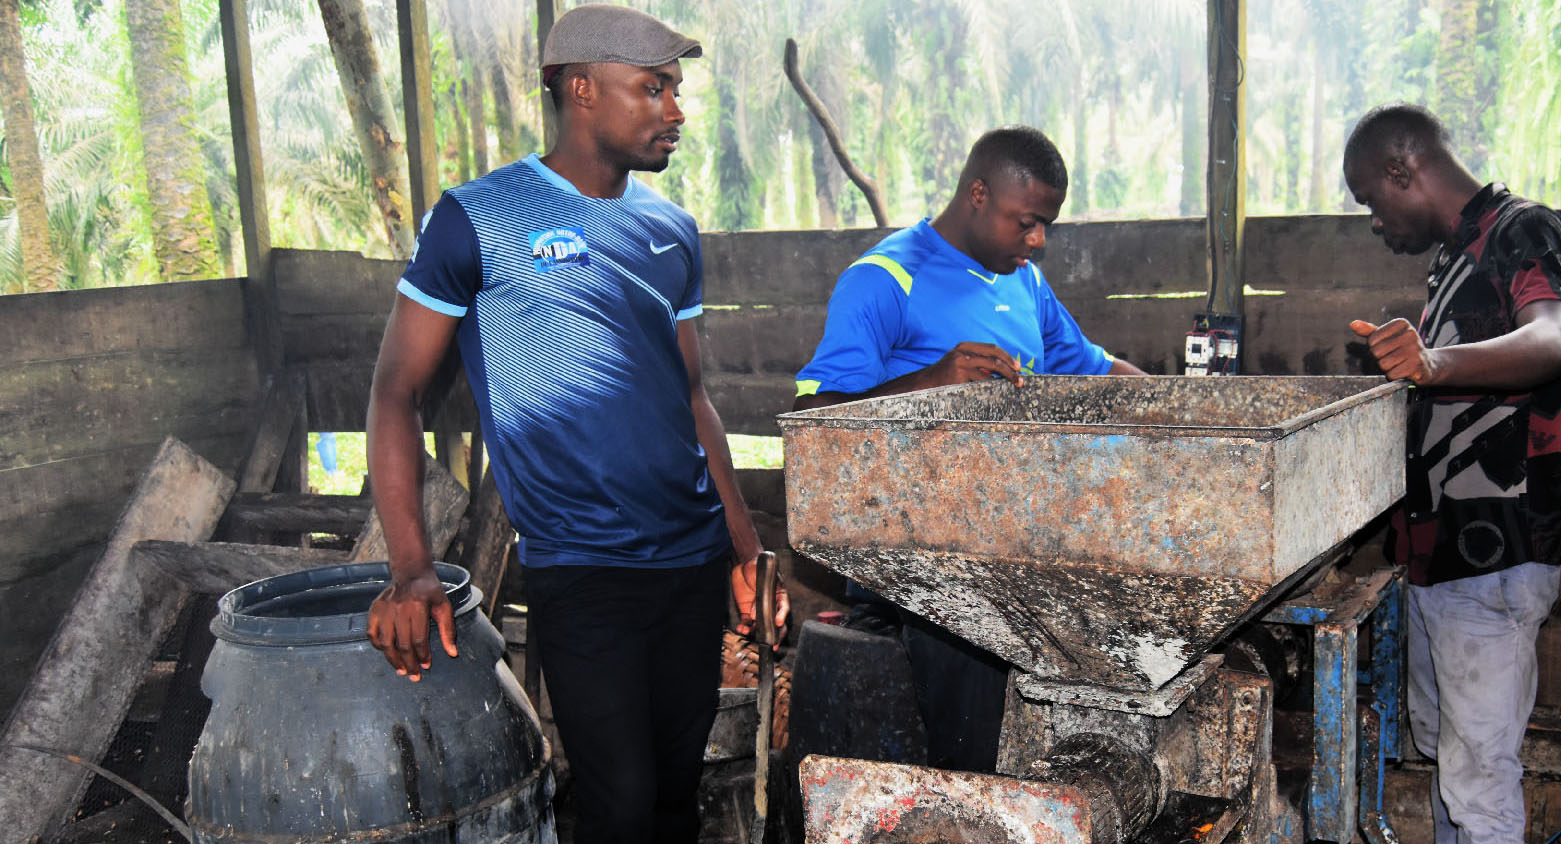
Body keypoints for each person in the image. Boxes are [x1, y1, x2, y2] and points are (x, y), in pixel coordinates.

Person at [363, 6, 784, 842]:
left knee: (672, 798)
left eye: (676, 89)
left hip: (693, 564)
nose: (676, 109)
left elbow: (693, 397)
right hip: (582, 567)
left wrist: (744, 552)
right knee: (617, 802)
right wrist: (410, 568)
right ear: (581, 89)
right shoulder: (479, 219)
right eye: (654, 88)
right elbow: (393, 395)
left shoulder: (670, 231)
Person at [791, 125, 1146, 773]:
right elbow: (813, 420)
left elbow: (1093, 368)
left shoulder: (1026, 283)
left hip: (1011, 547)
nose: (1038, 240)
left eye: (1046, 226)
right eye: (1027, 222)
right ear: (978, 194)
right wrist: (929, 382)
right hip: (918, 565)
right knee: (968, 748)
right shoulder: (883, 279)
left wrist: (1182, 412)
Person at [1341, 104, 1561, 844]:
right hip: (1440, 558)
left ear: (1400, 170)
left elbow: (1555, 338)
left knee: (1479, 784)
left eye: (1371, 202)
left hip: (1495, 552)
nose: (1375, 222)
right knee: (1456, 776)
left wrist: (1434, 362)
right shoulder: (1455, 262)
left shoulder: (1523, 228)